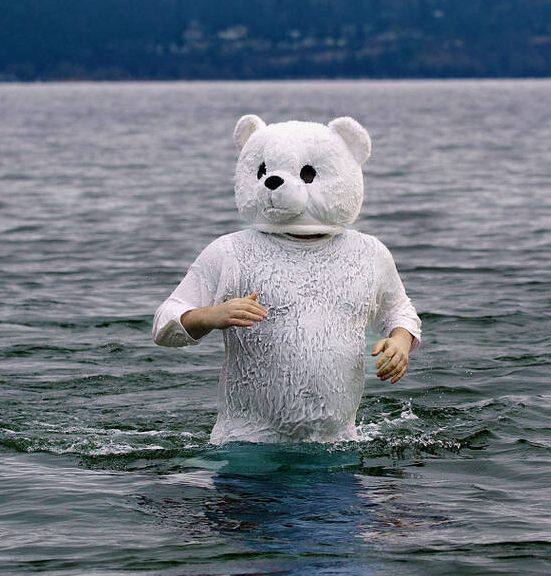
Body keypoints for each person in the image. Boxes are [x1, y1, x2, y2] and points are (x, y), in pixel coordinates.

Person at [152, 115, 420, 444]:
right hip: (246, 445)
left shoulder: (369, 253)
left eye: (307, 175)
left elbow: (399, 311)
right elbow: (164, 324)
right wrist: (209, 316)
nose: (273, 182)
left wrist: (400, 342)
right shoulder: (230, 251)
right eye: (263, 171)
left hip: (337, 444)